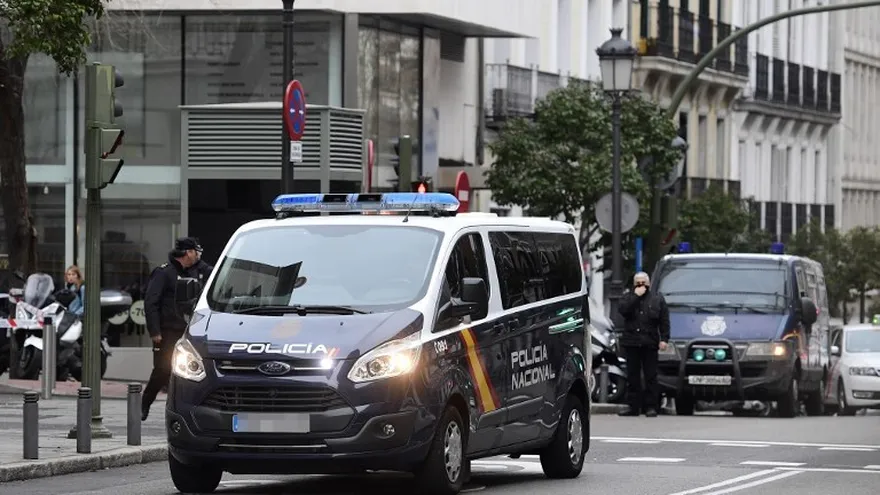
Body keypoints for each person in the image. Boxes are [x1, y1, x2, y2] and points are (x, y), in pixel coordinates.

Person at [141, 237, 202, 420]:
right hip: (167, 331)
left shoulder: (190, 273)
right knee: (162, 370)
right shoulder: (164, 273)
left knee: (186, 372)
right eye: (195, 252)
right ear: (188, 253)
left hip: (185, 331)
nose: (197, 256)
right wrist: (155, 331)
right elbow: (151, 302)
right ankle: (143, 405)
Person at [617, 271, 670, 417]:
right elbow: (623, 310)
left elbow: (664, 321)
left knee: (651, 376)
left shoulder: (657, 299)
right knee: (632, 376)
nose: (641, 285)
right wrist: (635, 297)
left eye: (643, 282)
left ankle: (651, 407)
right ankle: (633, 406)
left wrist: (664, 339)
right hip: (632, 342)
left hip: (649, 342)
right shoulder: (628, 297)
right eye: (638, 283)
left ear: (648, 283)